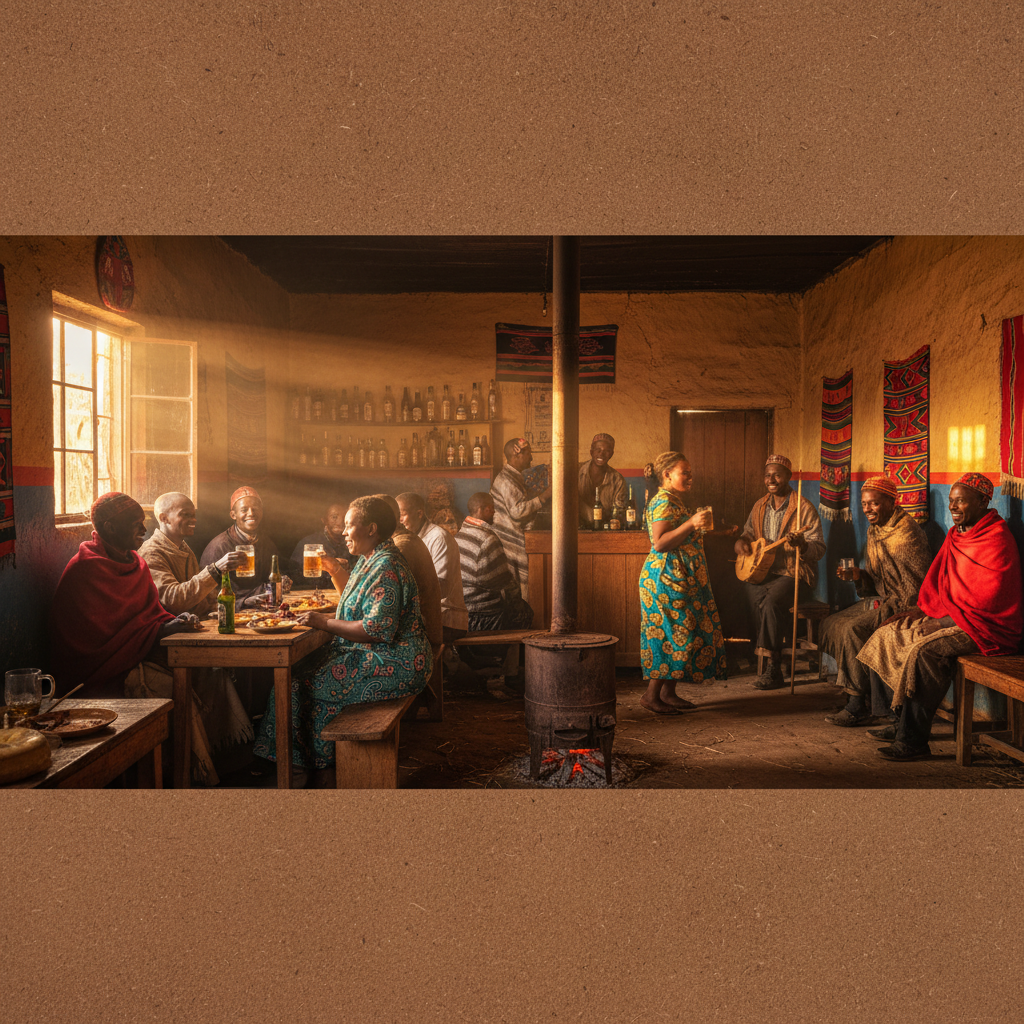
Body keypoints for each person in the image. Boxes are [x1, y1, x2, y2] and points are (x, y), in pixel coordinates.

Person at [49, 492, 229, 784]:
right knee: (176, 689)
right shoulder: (87, 569)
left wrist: (172, 622)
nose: (143, 531)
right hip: (102, 673)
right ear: (109, 528)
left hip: (136, 653)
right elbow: (103, 637)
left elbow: (152, 613)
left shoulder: (135, 562)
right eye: (135, 524)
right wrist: (162, 629)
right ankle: (193, 778)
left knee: (212, 673)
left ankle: (221, 759)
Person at [251, 496, 432, 785]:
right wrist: (333, 573)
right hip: (378, 653)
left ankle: (312, 771)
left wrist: (322, 622)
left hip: (397, 660)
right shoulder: (371, 558)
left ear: (371, 528)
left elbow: (376, 630)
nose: (344, 532)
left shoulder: (386, 565)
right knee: (297, 676)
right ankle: (313, 766)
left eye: (349, 526)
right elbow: (356, 597)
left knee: (300, 685)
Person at [856, 473, 1023, 761]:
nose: (953, 507)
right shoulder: (957, 535)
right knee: (889, 633)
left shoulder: (996, 538)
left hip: (986, 626)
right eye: (951, 501)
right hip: (955, 615)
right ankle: (899, 721)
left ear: (984, 501)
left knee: (926, 651)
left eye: (960, 501)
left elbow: (989, 598)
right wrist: (919, 611)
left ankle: (913, 741)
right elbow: (939, 581)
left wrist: (942, 622)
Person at [138, 491, 253, 751]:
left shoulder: (181, 547)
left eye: (194, 515)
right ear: (163, 518)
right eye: (185, 515)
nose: (193, 520)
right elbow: (173, 600)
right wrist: (215, 569)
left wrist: (244, 605)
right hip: (165, 644)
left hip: (189, 634)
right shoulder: (152, 553)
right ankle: (206, 756)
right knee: (221, 670)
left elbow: (200, 600)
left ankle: (224, 753)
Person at [818, 476, 932, 727]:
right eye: (864, 504)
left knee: (852, 629)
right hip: (881, 598)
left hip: (905, 604)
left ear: (892, 502)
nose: (868, 509)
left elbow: (917, 583)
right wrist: (859, 576)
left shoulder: (907, 533)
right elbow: (877, 579)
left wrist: (900, 607)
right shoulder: (875, 530)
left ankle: (857, 704)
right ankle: (859, 691)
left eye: (874, 504)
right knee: (833, 622)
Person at [638, 452, 728, 715]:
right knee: (676, 634)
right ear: (667, 475)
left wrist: (715, 530)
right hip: (665, 580)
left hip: (679, 578)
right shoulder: (663, 501)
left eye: (690, 472)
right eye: (684, 472)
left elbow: (682, 538)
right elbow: (661, 542)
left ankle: (668, 692)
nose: (690, 477)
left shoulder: (674, 500)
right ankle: (650, 696)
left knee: (682, 633)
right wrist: (691, 522)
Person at [734, 454, 825, 690]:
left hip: (795, 574)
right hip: (764, 574)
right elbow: (747, 534)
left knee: (771, 603)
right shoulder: (759, 505)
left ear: (788, 477)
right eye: (767, 475)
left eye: (776, 474)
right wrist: (741, 543)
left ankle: (774, 667)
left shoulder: (803, 508)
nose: (771, 479)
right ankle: (759, 653)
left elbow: (819, 548)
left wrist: (802, 545)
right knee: (748, 595)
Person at [456, 492, 535, 699]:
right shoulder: (487, 538)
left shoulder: (460, 533)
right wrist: (515, 596)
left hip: (463, 609)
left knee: (516, 607)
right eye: (491, 508)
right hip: (482, 617)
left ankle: (496, 670)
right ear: (482, 510)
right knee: (524, 613)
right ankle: (507, 675)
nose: (493, 512)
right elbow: (497, 580)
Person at [373, 493, 443, 654]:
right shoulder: (399, 542)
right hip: (413, 635)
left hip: (419, 641)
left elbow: (381, 604)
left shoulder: (402, 547)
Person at [397, 491, 469, 646]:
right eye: (397, 516)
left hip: (447, 619)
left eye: (403, 515)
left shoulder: (438, 538)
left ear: (419, 513)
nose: (399, 521)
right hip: (425, 615)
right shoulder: (408, 539)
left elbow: (441, 588)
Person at [199, 486, 289, 606]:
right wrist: (244, 602)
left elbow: (271, 578)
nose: (251, 514)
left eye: (255, 509)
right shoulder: (219, 546)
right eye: (244, 510)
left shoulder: (266, 542)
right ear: (233, 515)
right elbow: (208, 598)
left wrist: (280, 582)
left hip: (263, 612)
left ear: (261, 512)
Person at [490, 437, 552, 600]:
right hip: (508, 540)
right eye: (529, 454)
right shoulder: (506, 480)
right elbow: (517, 512)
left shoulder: (514, 476)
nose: (531, 458)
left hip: (511, 538)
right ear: (516, 455)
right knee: (516, 589)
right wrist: (544, 496)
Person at [287, 500, 351, 588]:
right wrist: (330, 569)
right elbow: (295, 575)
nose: (340, 522)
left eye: (344, 517)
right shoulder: (308, 543)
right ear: (324, 520)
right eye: (334, 517)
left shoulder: (353, 543)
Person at [579, 432, 629, 527]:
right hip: (576, 530)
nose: (601, 454)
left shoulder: (617, 480)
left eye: (607, 451)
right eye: (598, 450)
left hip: (604, 529)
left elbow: (619, 511)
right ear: (591, 451)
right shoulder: (576, 471)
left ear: (611, 454)